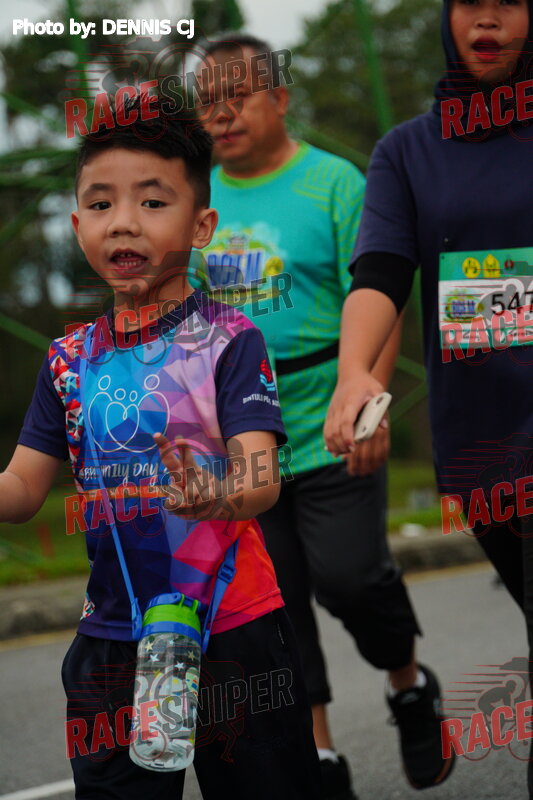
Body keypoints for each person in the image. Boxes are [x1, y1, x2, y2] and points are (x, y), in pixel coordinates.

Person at [1, 101, 322, 799]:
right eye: (101, 203)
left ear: (201, 225)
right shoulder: (67, 361)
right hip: (113, 636)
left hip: (233, 629)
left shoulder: (229, 339)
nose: (123, 221)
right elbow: (21, 491)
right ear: (78, 226)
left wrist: (218, 492)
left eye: (152, 201)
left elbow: (261, 475)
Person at [192, 33, 453, 799]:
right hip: (240, 436)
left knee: (351, 579)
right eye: (206, 101)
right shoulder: (194, 194)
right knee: (272, 604)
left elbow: (378, 290)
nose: (221, 114)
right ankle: (320, 755)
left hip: (331, 421)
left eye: (238, 95)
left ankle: (407, 684)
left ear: (279, 98)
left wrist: (366, 398)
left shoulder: (336, 183)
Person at [324, 0, 533, 794]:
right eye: (469, 2)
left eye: (507, 1)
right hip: (481, 440)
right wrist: (355, 372)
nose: (486, 19)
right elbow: (380, 271)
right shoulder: (408, 151)